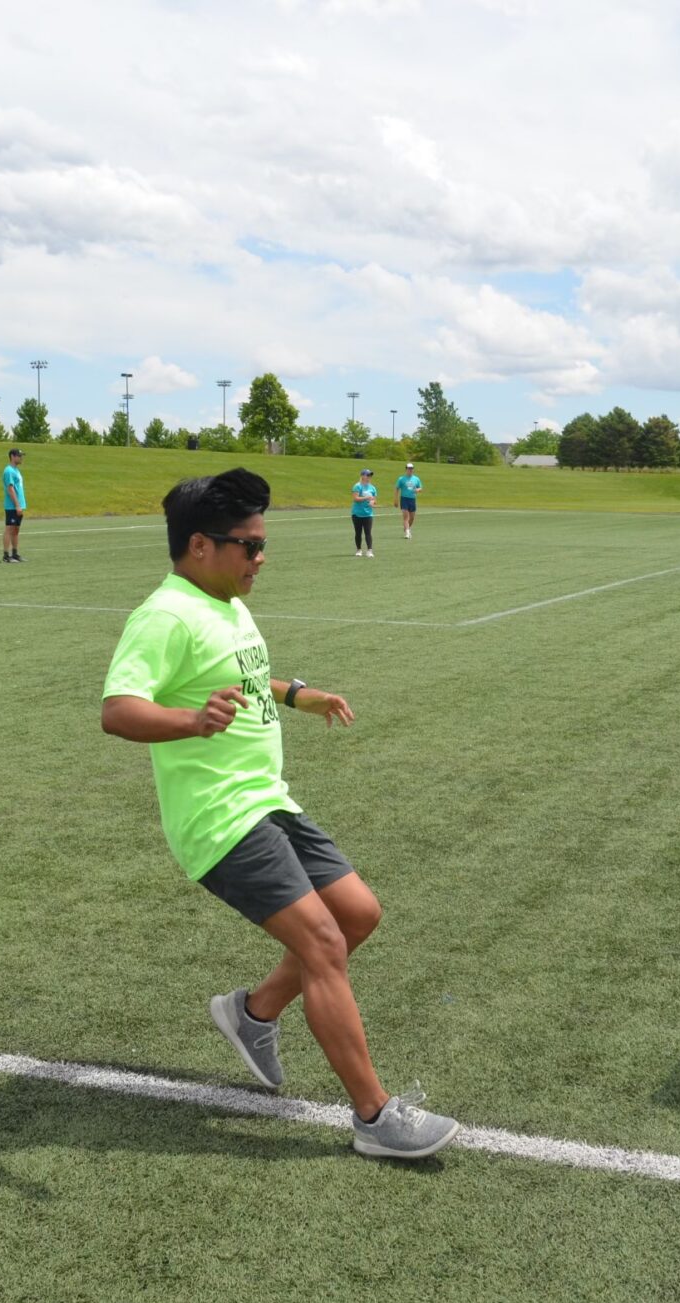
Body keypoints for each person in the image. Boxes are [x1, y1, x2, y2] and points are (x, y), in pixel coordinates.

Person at [101, 468, 459, 1159]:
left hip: (266, 798)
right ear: (201, 546)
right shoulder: (165, 615)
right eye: (250, 546)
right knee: (323, 943)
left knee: (358, 915)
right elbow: (118, 710)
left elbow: (235, 675)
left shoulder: (226, 602)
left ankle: (252, 1013)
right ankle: (375, 1117)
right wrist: (189, 721)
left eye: (263, 545)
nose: (261, 558)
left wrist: (298, 694)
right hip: (218, 817)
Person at [2, 447, 27, 563]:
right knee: (9, 528)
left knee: (16, 530)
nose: (21, 458)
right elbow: (10, 489)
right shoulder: (9, 471)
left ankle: (15, 553)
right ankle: (6, 555)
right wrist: (17, 505)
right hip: (12, 506)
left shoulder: (16, 470)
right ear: (12, 456)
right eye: (19, 455)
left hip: (19, 505)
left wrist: (20, 505)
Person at [351, 467, 378, 557]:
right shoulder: (357, 486)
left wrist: (372, 503)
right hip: (357, 513)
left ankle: (369, 550)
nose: (369, 477)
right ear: (362, 476)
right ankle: (359, 550)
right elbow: (355, 498)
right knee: (358, 532)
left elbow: (375, 500)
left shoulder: (373, 488)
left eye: (370, 475)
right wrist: (366, 498)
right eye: (367, 475)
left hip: (368, 514)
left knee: (368, 532)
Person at [396, 462, 422, 539]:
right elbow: (397, 488)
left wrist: (418, 490)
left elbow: (420, 487)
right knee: (406, 517)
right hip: (404, 499)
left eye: (411, 468)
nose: (410, 470)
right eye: (408, 468)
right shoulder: (401, 479)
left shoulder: (416, 479)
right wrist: (396, 499)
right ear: (406, 469)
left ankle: (407, 528)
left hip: (412, 499)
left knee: (412, 518)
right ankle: (407, 532)